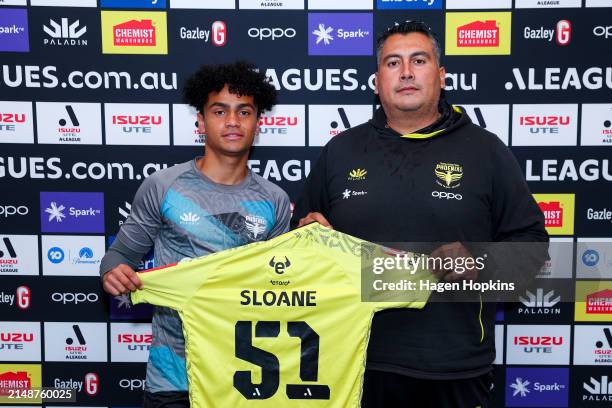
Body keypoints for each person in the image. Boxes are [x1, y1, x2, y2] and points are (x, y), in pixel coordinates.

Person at [292, 21, 548, 408]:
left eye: (419, 60)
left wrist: (480, 262)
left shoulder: (486, 151)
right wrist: (306, 238)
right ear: (377, 82)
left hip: (454, 368)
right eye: (393, 63)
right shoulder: (339, 151)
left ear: (441, 77)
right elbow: (297, 244)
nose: (407, 72)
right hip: (353, 363)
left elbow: (532, 246)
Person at [100, 61, 291, 408]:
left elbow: (280, 282)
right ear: (201, 122)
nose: (232, 121)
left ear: (257, 123)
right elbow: (118, 257)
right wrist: (112, 272)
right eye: (220, 111)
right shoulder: (163, 186)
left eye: (244, 112)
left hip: (246, 379)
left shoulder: (274, 200)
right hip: (174, 379)